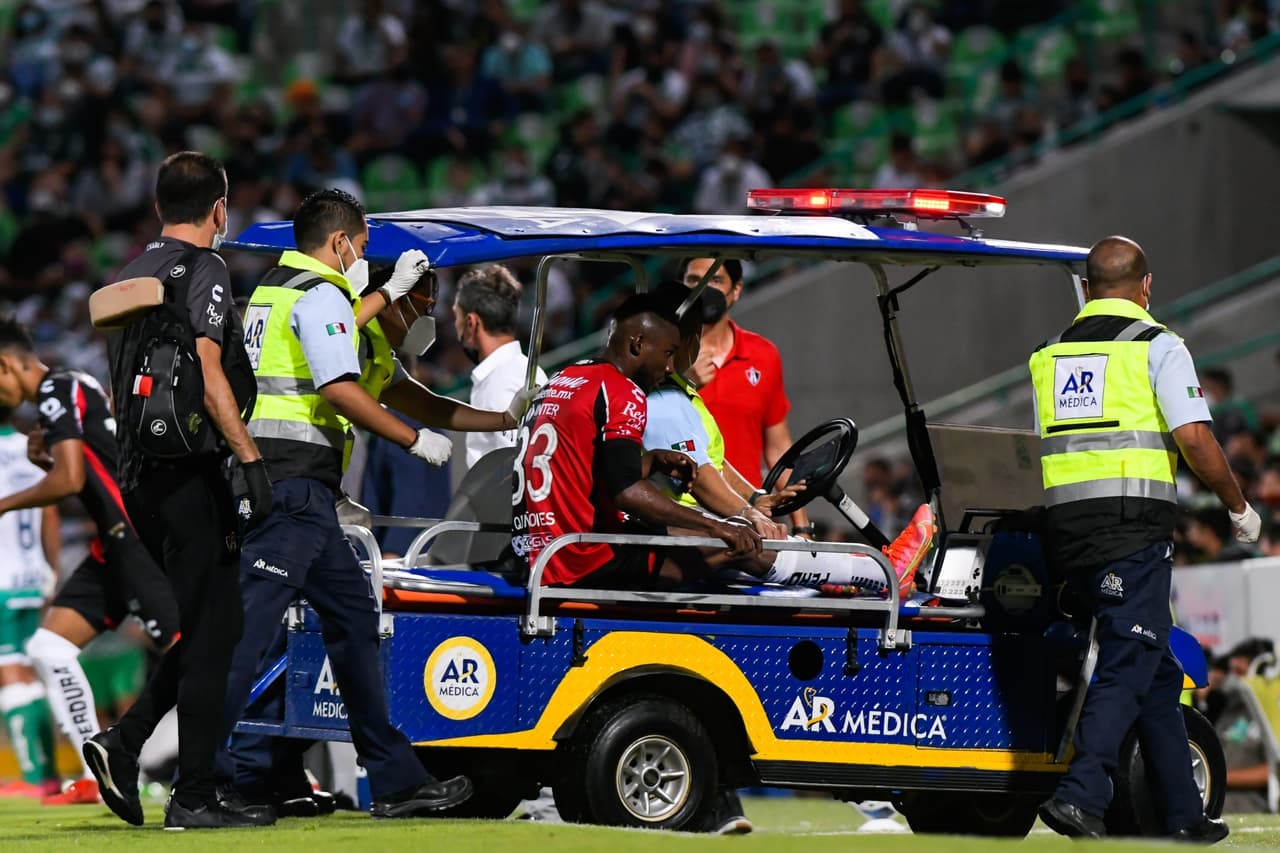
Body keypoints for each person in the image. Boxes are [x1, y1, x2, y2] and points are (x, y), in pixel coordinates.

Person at [217, 188, 531, 818]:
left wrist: (499, 415)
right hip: (288, 483)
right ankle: (214, 777)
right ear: (350, 253)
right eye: (423, 300)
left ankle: (393, 781)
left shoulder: (329, 315)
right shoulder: (323, 300)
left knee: (354, 625)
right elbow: (344, 389)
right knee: (250, 637)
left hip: (307, 491)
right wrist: (415, 442)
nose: (431, 318)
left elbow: (414, 396)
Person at [1030, 236, 1262, 843]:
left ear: (1085, 288)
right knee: (1130, 656)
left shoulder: (1048, 355)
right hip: (1131, 528)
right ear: (1147, 286)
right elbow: (1193, 437)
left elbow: (1041, 449)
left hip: (1066, 532)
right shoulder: (1158, 345)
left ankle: (1183, 815)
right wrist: (1238, 505)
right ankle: (1081, 795)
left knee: (1156, 669)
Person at [89, 151, 270, 830]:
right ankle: (194, 795)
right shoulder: (206, 268)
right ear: (219, 208)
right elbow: (211, 371)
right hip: (191, 474)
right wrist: (249, 462)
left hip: (138, 476)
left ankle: (127, 741)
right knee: (217, 628)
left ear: (160, 204)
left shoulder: (129, 273)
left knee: (207, 623)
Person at [643, 282, 935, 598]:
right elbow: (699, 477)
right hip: (687, 522)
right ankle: (885, 572)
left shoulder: (678, 390)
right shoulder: (663, 401)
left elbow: (712, 461)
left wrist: (755, 499)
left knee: (755, 538)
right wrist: (748, 513)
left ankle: (844, 575)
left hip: (702, 519)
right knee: (752, 541)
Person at [0, 322, 183, 808]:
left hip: (135, 540)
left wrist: (4, 503)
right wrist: (47, 467)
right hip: (113, 541)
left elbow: (72, 478)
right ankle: (97, 774)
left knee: (190, 655)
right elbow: (86, 478)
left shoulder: (57, 389)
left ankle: (261, 763)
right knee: (48, 646)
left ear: (6, 364)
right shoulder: (72, 387)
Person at [680, 258, 815, 540]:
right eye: (694, 281)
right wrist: (684, 380)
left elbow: (779, 448)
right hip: (685, 515)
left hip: (748, 516)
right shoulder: (666, 352)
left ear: (736, 290)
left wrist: (802, 527)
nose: (703, 289)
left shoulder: (763, 354)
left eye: (715, 281)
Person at [0, 408, 60, 800]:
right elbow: (50, 512)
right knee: (29, 676)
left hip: (1, 581)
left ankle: (35, 776)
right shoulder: (30, 450)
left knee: (11, 677)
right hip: (32, 577)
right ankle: (49, 773)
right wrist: (51, 573)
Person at [454, 264, 547, 469]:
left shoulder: (504, 380)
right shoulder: (511, 372)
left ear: (472, 322)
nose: (455, 325)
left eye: (456, 316)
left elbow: (516, 471)